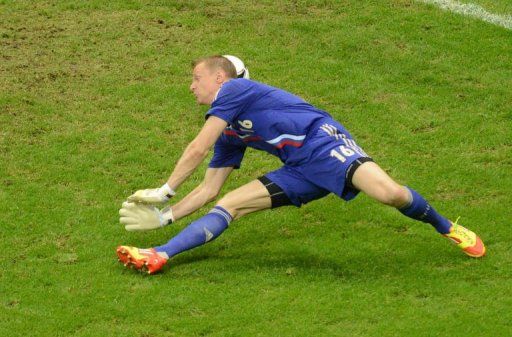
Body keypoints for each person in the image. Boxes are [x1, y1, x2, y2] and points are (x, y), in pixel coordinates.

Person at [116, 55, 485, 274]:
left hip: (324, 145)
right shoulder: (230, 131)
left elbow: (197, 148)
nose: (191, 86)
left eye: (196, 78)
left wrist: (165, 190)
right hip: (298, 169)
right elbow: (209, 188)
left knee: (390, 194)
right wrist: (166, 216)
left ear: (219, 78)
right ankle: (160, 253)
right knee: (228, 204)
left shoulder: (235, 91)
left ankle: (446, 226)